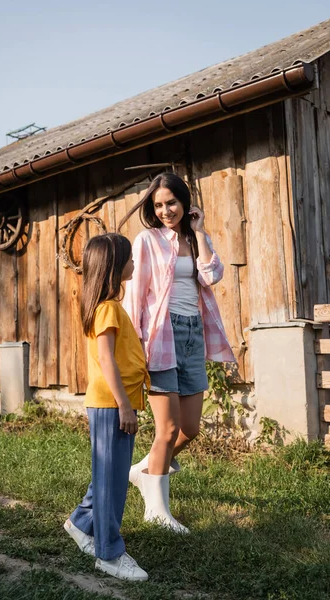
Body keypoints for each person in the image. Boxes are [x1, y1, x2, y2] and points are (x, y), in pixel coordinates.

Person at [120, 172, 235, 534]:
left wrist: (199, 232)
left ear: (185, 202)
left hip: (191, 335)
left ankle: (144, 470)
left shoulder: (194, 237)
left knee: (190, 428)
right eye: (158, 205)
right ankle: (156, 511)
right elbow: (134, 296)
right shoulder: (146, 240)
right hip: (160, 336)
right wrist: (135, 344)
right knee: (167, 430)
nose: (166, 210)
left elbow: (211, 275)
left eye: (172, 202)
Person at [64, 233, 150, 582]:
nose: (134, 264)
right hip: (112, 405)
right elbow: (106, 361)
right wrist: (124, 407)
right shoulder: (109, 308)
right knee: (112, 483)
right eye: (129, 259)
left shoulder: (107, 306)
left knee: (109, 474)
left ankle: (81, 523)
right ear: (115, 267)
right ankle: (109, 554)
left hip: (114, 404)